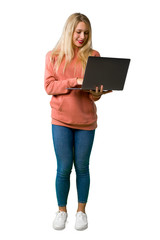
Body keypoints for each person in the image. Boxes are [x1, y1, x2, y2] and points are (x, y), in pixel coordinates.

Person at [44, 13, 112, 231]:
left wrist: (97, 92)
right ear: (69, 31)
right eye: (79, 32)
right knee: (63, 168)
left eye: (86, 33)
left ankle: (81, 211)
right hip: (61, 121)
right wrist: (75, 81)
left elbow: (94, 95)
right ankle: (61, 211)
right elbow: (49, 87)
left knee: (82, 167)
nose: (82, 36)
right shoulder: (53, 56)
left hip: (86, 122)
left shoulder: (93, 56)